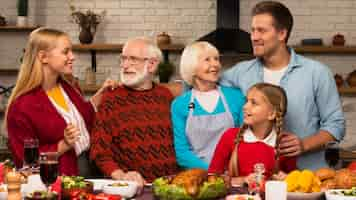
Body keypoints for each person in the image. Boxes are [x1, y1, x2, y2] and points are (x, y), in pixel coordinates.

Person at [220, 1, 345, 170]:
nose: (254, 37)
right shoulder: (240, 72)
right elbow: (206, 83)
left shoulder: (317, 73)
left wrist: (304, 144)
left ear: (282, 33)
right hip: (255, 181)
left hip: (306, 179)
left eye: (261, 31)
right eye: (253, 30)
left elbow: (336, 125)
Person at [6, 28, 114, 175]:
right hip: (65, 175)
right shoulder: (22, 107)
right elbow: (27, 163)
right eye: (65, 52)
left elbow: (83, 117)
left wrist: (101, 94)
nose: (72, 57)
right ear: (43, 57)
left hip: (93, 165)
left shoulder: (68, 86)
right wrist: (63, 145)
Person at [90, 37, 179, 189]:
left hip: (170, 187)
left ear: (151, 65)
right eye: (123, 59)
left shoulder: (165, 96)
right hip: (130, 188)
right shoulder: (111, 99)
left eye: (133, 59)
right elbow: (99, 151)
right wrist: (121, 175)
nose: (125, 65)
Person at [171, 41, 245, 170]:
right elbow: (182, 152)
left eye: (216, 59)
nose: (215, 64)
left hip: (232, 173)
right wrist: (213, 171)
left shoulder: (236, 97)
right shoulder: (180, 105)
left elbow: (245, 140)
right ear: (192, 67)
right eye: (207, 60)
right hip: (197, 175)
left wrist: (230, 172)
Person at [208, 83, 295, 185]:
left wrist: (287, 179)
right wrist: (242, 180)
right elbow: (212, 177)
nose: (245, 107)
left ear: (271, 114)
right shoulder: (230, 136)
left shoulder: (286, 143)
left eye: (254, 103)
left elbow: (292, 182)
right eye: (246, 101)